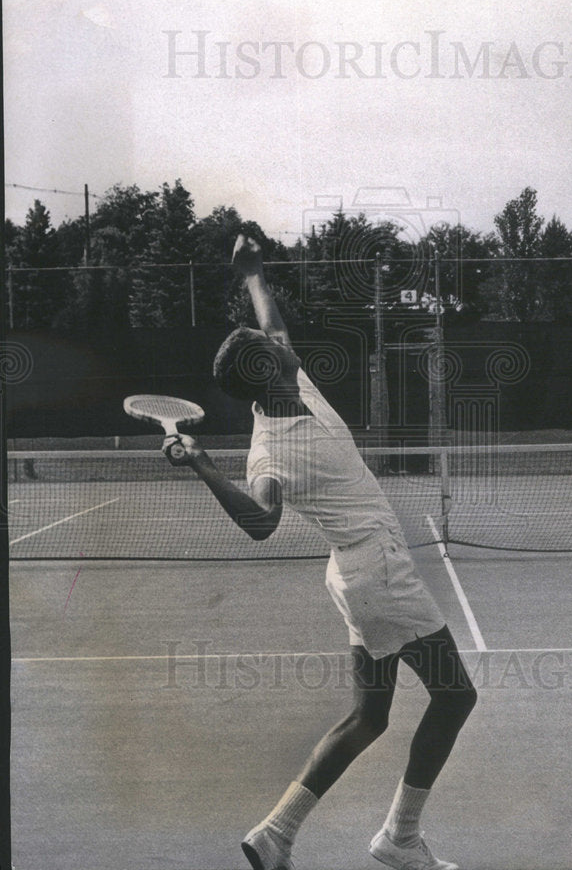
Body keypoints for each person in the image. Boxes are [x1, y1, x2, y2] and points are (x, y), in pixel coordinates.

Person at [164, 234, 477, 870]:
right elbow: (260, 521)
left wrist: (253, 275)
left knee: (369, 718)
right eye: (278, 357)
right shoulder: (270, 453)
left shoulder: (286, 376)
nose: (287, 352)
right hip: (379, 574)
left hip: (356, 573)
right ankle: (400, 838)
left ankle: (276, 834)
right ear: (267, 376)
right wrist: (201, 463)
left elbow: (272, 327)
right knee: (455, 697)